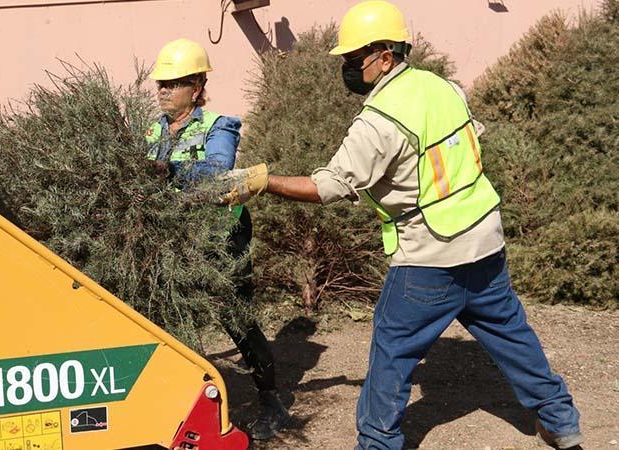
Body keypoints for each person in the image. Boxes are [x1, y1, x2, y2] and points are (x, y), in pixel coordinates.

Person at [219, 2, 583, 449]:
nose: (349, 69)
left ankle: (376, 443)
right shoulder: (444, 87)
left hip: (430, 254)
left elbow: (330, 186)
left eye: (355, 60)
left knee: (393, 352)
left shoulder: (379, 120)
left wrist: (261, 181)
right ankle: (561, 422)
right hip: (484, 239)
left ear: (386, 56)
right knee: (511, 334)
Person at [146, 38, 288, 440]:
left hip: (222, 236)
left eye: (173, 83)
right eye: (161, 83)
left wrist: (168, 172)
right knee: (175, 315)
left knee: (236, 317)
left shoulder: (220, 126)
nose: (163, 90)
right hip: (175, 238)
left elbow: (217, 171)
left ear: (196, 86)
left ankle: (272, 402)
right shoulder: (153, 130)